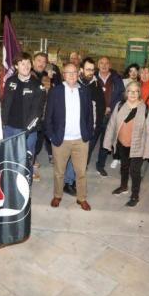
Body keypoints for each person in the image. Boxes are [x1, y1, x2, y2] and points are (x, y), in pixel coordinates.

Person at [45, 63, 94, 211]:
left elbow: (89, 115)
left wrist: (89, 133)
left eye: (74, 72)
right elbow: (48, 117)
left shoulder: (85, 91)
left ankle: (82, 198)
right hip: (61, 140)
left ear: (78, 74)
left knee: (81, 172)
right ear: (63, 75)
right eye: (68, 73)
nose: (72, 75)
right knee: (59, 172)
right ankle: (57, 195)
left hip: (80, 140)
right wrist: (52, 137)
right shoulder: (56, 92)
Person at [103, 81, 149, 207]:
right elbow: (112, 125)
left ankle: (135, 195)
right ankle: (123, 186)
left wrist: (148, 152)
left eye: (136, 91)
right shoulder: (120, 105)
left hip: (137, 146)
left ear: (139, 93)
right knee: (124, 167)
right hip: (122, 144)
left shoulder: (145, 109)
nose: (133, 93)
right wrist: (107, 142)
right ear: (126, 93)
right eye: (130, 91)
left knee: (135, 171)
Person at [62, 57, 105, 196]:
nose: (90, 72)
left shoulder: (97, 85)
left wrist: (97, 126)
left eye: (92, 70)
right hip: (76, 129)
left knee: (84, 158)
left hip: (91, 128)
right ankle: (68, 182)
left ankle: (74, 180)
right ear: (81, 70)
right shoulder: (74, 83)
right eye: (87, 69)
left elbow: (101, 107)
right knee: (74, 157)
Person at [2, 53, 46, 177]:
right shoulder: (10, 81)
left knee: (25, 164)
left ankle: (25, 191)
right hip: (9, 129)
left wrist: (27, 131)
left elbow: (38, 112)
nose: (26, 66)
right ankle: (10, 188)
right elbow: (4, 104)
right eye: (22, 63)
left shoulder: (38, 86)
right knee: (9, 161)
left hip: (28, 132)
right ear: (16, 66)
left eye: (28, 63)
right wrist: (2, 124)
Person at [95, 56, 125, 176]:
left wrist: (111, 108)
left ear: (110, 65)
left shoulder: (117, 79)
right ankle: (83, 163)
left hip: (110, 116)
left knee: (105, 142)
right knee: (90, 141)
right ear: (98, 65)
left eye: (106, 63)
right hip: (96, 115)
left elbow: (121, 95)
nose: (104, 65)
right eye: (101, 63)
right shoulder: (93, 77)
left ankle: (100, 165)